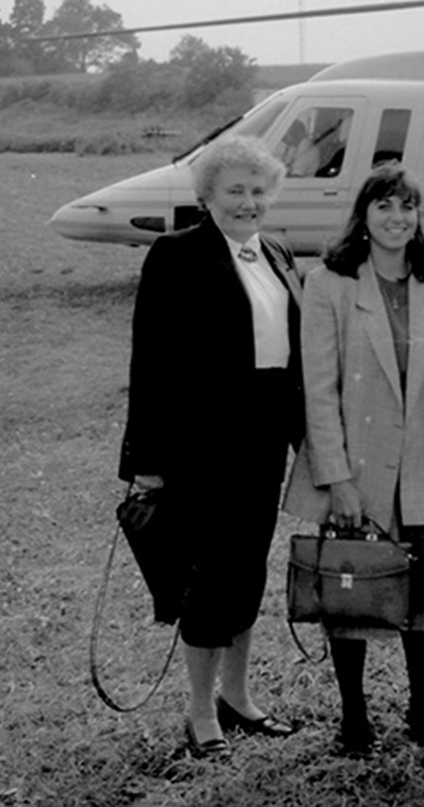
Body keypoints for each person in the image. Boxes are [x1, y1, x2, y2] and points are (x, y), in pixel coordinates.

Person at [284, 164, 424, 754]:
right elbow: (319, 390)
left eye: (407, 207)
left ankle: (422, 712)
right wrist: (336, 479)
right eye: (384, 206)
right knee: (354, 592)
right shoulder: (330, 284)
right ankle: (355, 719)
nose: (397, 218)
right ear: (363, 216)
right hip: (360, 469)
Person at [117, 135, 304, 760]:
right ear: (207, 196)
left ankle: (238, 697)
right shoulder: (176, 256)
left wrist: (310, 440)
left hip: (264, 443)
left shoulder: (276, 254)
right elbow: (151, 362)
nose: (248, 202)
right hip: (200, 447)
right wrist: (147, 461)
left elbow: (295, 359)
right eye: (235, 191)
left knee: (248, 568)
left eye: (258, 191)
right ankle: (200, 715)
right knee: (207, 577)